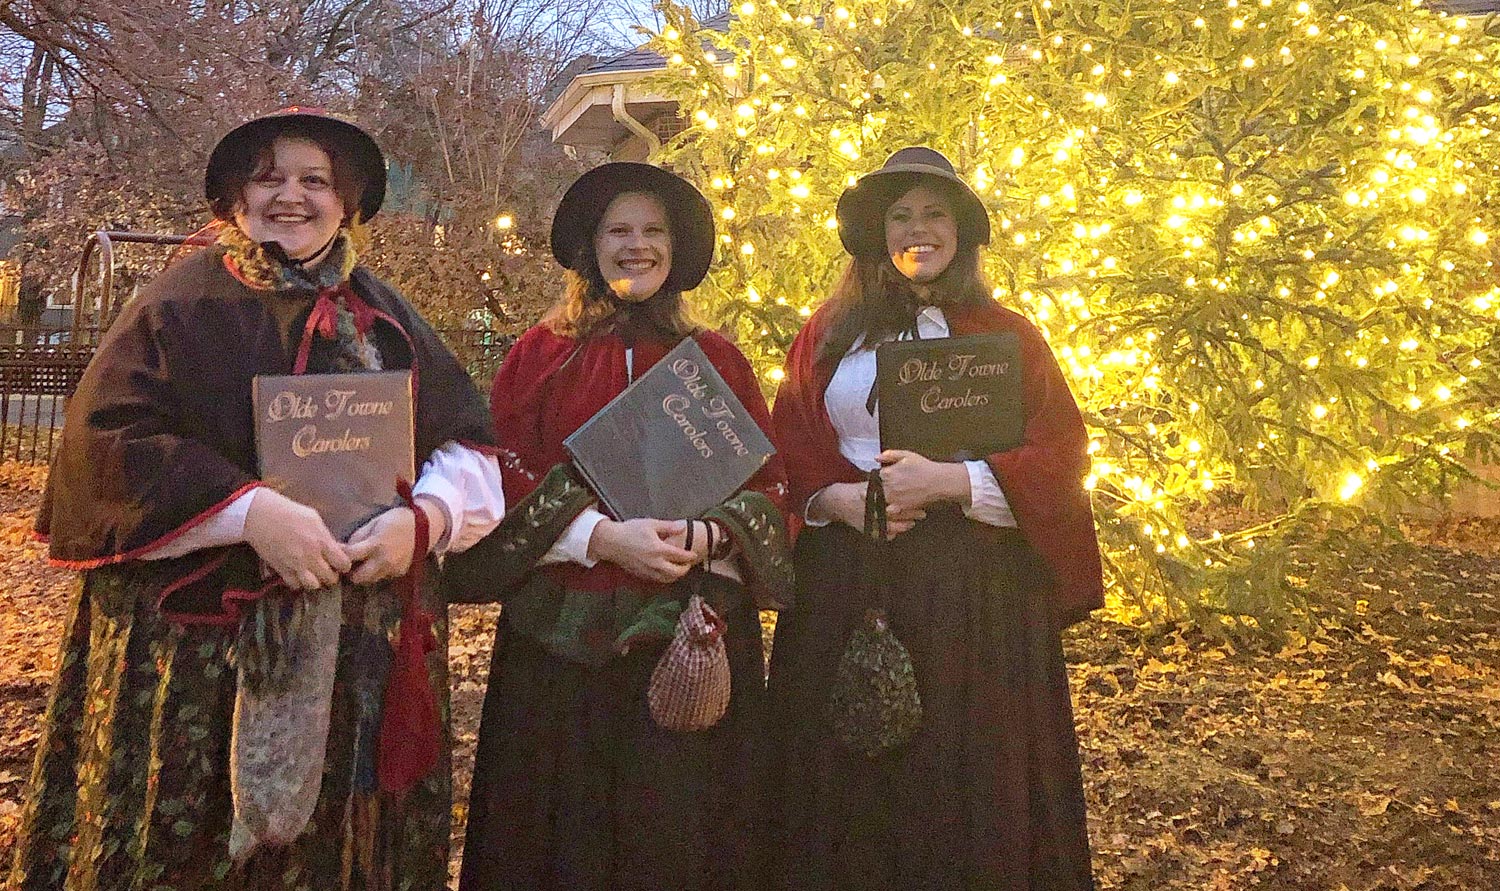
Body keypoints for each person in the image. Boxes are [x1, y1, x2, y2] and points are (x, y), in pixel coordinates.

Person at [8, 108, 504, 890]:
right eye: (269, 178)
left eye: (315, 180)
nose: (292, 196)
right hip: (198, 662)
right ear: (236, 199)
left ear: (347, 201)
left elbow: (467, 441)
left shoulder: (386, 312)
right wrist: (249, 512)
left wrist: (426, 519)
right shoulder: (178, 304)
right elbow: (105, 447)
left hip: (358, 651)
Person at [763, 146, 1104, 891]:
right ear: (877, 234)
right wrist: (834, 499)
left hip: (973, 592)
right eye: (901, 216)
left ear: (963, 232)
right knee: (843, 777)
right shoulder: (827, 333)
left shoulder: (1008, 334)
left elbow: (1060, 455)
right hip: (847, 576)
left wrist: (954, 481)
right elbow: (788, 438)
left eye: (935, 214)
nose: (918, 230)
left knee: (962, 770)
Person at [445, 162, 791, 891]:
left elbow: (767, 484)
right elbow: (501, 474)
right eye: (619, 230)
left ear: (676, 248)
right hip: (558, 640)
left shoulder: (718, 360)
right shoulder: (537, 356)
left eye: (653, 230)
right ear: (591, 246)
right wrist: (598, 537)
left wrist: (708, 538)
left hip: (688, 631)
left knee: (680, 832)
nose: (637, 245)